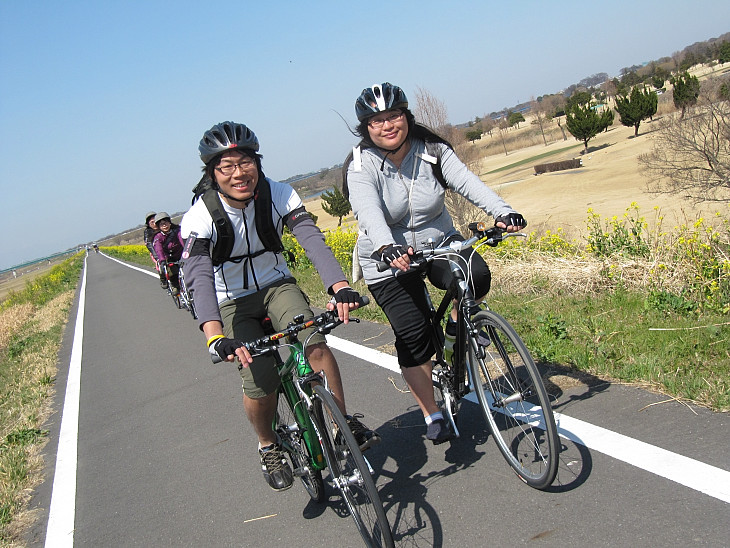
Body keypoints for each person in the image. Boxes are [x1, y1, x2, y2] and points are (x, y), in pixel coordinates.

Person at [180, 121, 379, 491]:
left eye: (245, 163)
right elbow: (199, 278)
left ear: (257, 162)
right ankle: (268, 445)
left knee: (314, 341)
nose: (238, 173)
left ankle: (340, 425)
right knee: (260, 380)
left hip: (276, 285)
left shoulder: (279, 194)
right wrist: (214, 337)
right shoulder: (200, 217)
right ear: (213, 173)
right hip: (231, 300)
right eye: (226, 166)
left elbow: (311, 239)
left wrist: (339, 288)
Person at [344, 82, 527, 444]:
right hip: (387, 258)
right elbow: (369, 211)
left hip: (438, 241)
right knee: (413, 336)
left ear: (406, 116)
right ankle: (432, 412)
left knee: (474, 275)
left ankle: (453, 331)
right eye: (377, 120)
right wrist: (386, 247)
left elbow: (468, 183)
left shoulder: (433, 150)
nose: (387, 125)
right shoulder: (360, 165)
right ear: (366, 127)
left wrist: (503, 212)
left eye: (394, 115)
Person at [152, 212, 184, 295]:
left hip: (180, 254)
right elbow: (158, 249)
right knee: (172, 271)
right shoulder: (158, 237)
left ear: (170, 222)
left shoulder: (177, 231)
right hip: (169, 257)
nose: (165, 226)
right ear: (159, 226)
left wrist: (187, 252)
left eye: (166, 223)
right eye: (162, 224)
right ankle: (175, 286)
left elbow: (182, 240)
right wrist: (162, 260)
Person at [143, 211, 167, 288]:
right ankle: (163, 279)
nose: (154, 224)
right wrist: (157, 257)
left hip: (168, 249)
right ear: (148, 224)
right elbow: (150, 245)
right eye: (152, 222)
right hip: (156, 251)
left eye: (155, 221)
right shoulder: (148, 232)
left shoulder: (163, 227)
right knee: (161, 265)